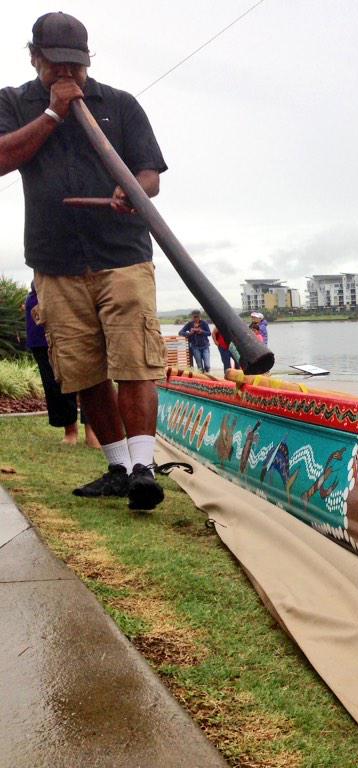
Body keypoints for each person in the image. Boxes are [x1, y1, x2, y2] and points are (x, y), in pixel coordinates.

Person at [0, 12, 169, 510]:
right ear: (35, 58)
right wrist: (52, 114)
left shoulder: (120, 104)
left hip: (122, 256)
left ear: (88, 59)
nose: (68, 76)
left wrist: (133, 188)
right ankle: (118, 467)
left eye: (76, 65)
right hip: (54, 261)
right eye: (56, 66)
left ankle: (144, 466)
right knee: (83, 369)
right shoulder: (13, 103)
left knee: (135, 360)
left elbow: (151, 173)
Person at [23, 283, 99, 447]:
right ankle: (70, 431)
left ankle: (92, 432)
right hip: (44, 301)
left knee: (90, 374)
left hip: (80, 299)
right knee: (54, 380)